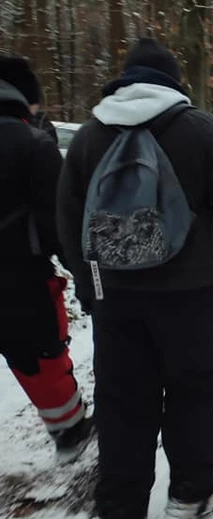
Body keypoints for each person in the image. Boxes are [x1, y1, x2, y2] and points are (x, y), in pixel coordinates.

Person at [57, 38, 213, 519]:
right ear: (174, 82)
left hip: (116, 302)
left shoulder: (91, 135)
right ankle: (191, 495)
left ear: (124, 80)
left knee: (123, 403)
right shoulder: (199, 130)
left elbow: (68, 219)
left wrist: (89, 287)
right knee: (194, 394)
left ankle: (119, 505)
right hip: (190, 297)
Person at [0, 56, 93, 463]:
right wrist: (88, 279)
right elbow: (61, 229)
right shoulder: (33, 146)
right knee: (41, 357)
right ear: (26, 99)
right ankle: (70, 432)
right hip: (18, 279)